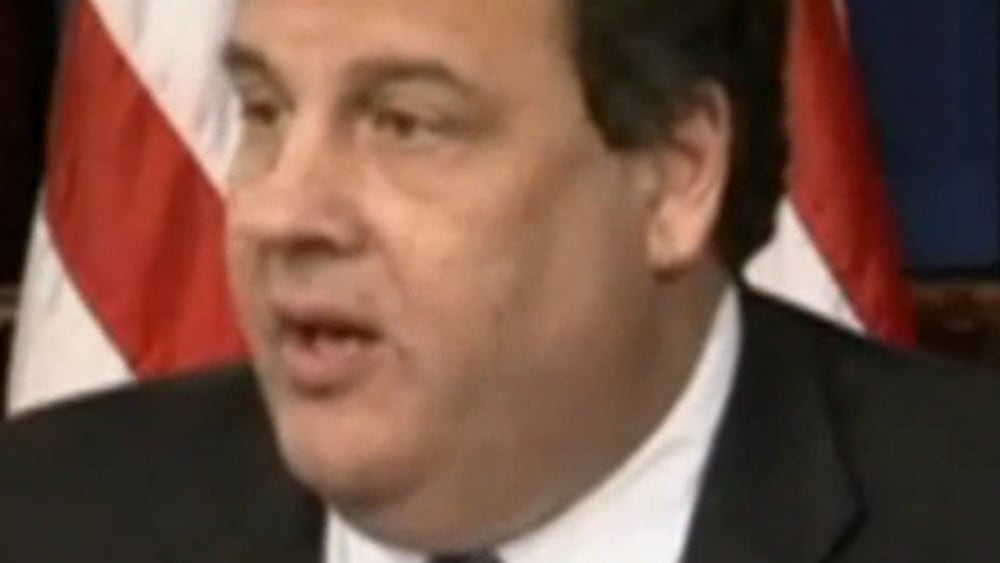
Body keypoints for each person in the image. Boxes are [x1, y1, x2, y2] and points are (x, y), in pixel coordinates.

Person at [2, 0, 999, 561]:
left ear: (675, 175)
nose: (277, 212)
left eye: (407, 123)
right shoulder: (43, 515)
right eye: (264, 112)